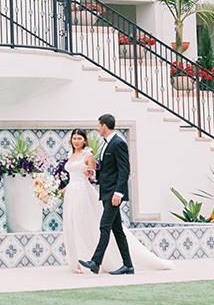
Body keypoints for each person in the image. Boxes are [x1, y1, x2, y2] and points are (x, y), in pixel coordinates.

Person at [73, 115, 174, 275]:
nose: (98, 128)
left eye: (99, 125)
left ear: (104, 126)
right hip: (106, 192)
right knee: (117, 230)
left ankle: (95, 262)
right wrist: (93, 173)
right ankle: (128, 265)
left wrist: (118, 193)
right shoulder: (107, 144)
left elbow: (124, 170)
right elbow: (108, 171)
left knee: (104, 226)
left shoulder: (118, 143)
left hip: (113, 194)